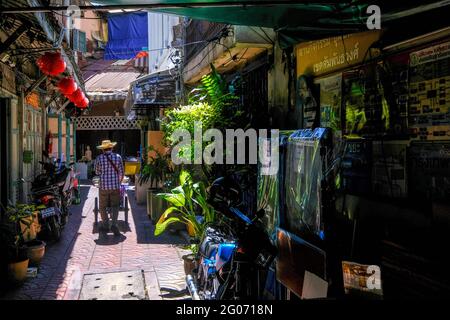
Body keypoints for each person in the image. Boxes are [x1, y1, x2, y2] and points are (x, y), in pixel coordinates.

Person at [94, 140, 124, 236]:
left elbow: (97, 172)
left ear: (103, 149)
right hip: (115, 186)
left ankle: (105, 225)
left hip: (103, 186)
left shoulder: (99, 158)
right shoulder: (118, 157)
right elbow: (121, 172)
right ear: (112, 148)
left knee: (102, 206)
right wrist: (118, 182)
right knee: (115, 206)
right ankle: (114, 224)